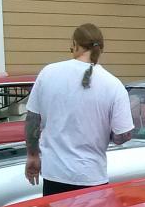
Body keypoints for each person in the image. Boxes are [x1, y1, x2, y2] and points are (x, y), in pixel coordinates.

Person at [25, 23, 134, 197]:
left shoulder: (48, 73)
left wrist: (32, 155)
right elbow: (123, 136)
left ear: (75, 44)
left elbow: (32, 119)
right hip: (91, 177)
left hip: (54, 176)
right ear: (101, 49)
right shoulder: (114, 85)